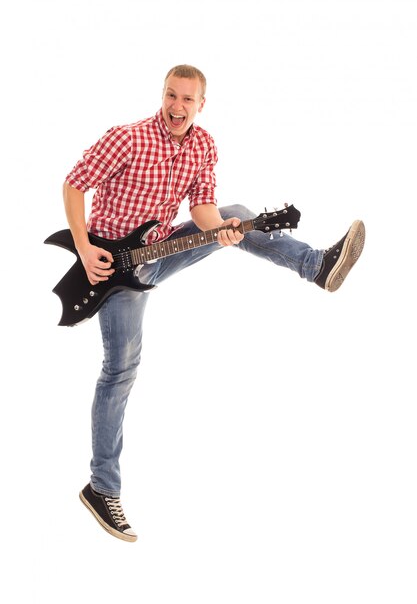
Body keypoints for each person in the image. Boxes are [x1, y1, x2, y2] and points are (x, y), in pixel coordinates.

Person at [63, 64, 365, 542]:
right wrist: (84, 246)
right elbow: (74, 183)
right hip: (110, 270)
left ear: (202, 104)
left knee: (239, 216)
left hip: (157, 254)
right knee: (121, 369)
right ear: (161, 95)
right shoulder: (126, 138)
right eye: (171, 95)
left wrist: (222, 232)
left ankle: (316, 266)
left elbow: (203, 210)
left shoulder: (204, 144)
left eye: (187, 99)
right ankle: (102, 488)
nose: (177, 106)